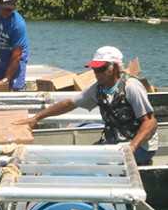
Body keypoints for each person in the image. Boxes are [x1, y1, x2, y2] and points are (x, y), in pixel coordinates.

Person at [15, 45, 158, 165]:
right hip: (115, 143)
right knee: (85, 158)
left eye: (100, 69)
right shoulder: (98, 88)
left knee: (102, 163)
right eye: (94, 69)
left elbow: (150, 122)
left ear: (114, 68)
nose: (95, 73)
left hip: (141, 147)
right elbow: (69, 104)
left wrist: (132, 147)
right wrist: (37, 118)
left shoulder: (131, 87)